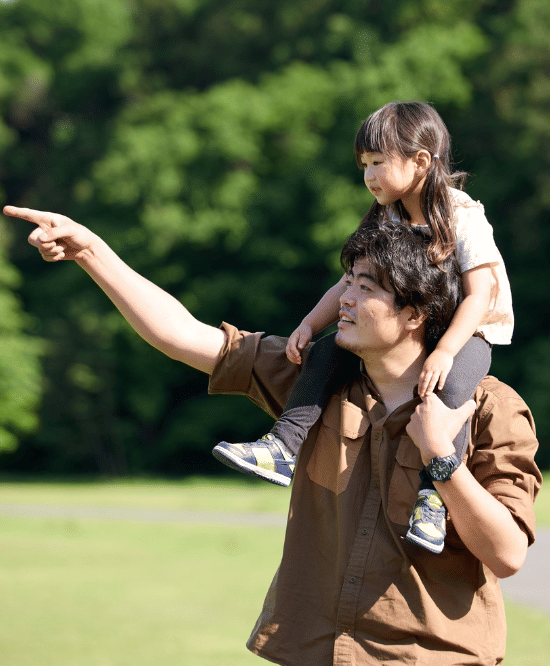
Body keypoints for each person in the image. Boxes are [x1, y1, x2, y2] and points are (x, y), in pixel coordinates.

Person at [4, 202, 542, 664]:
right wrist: (91, 251)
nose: (345, 300)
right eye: (347, 283)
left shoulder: (490, 410)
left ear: (415, 314)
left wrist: (441, 457)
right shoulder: (313, 381)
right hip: (313, 651)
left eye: (365, 288)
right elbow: (182, 335)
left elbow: (507, 554)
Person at [212, 100, 515, 554]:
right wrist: (311, 323)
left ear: (420, 162)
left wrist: (446, 351)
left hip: (470, 330)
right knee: (327, 351)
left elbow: (480, 295)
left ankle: (432, 502)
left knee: (450, 392)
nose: (369, 176)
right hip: (415, 326)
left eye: (378, 163)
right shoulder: (386, 215)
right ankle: (283, 447)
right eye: (365, 165)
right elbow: (348, 281)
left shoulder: (461, 214)